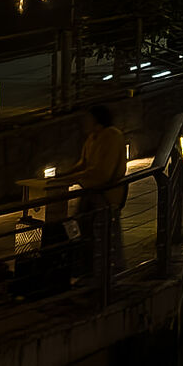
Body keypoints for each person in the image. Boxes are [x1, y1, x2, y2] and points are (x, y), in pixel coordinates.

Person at [74, 104, 129, 280]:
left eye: (88, 119)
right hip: (91, 192)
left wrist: (76, 178)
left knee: (103, 236)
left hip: (105, 195)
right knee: (85, 232)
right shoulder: (92, 138)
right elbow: (83, 163)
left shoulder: (112, 136)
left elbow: (103, 172)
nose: (84, 123)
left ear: (97, 120)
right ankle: (90, 272)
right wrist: (63, 176)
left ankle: (107, 275)